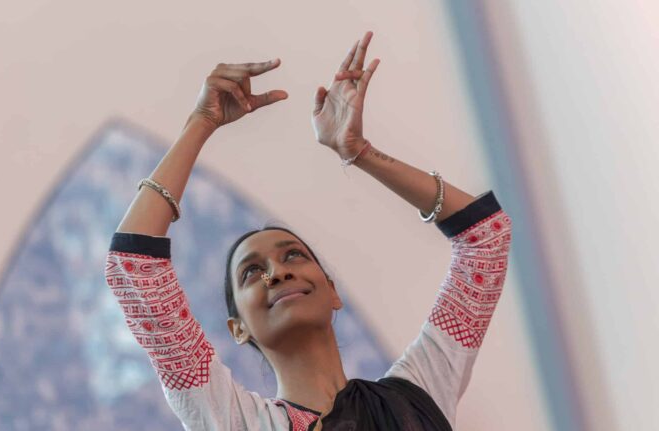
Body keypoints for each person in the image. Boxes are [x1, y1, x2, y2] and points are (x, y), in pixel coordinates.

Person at [105, 31, 512, 431]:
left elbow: (486, 236)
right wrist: (201, 122)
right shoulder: (234, 421)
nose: (278, 272)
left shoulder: (420, 392)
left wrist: (359, 152)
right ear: (238, 328)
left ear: (333, 291)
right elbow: (133, 266)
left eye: (293, 255)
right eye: (251, 272)